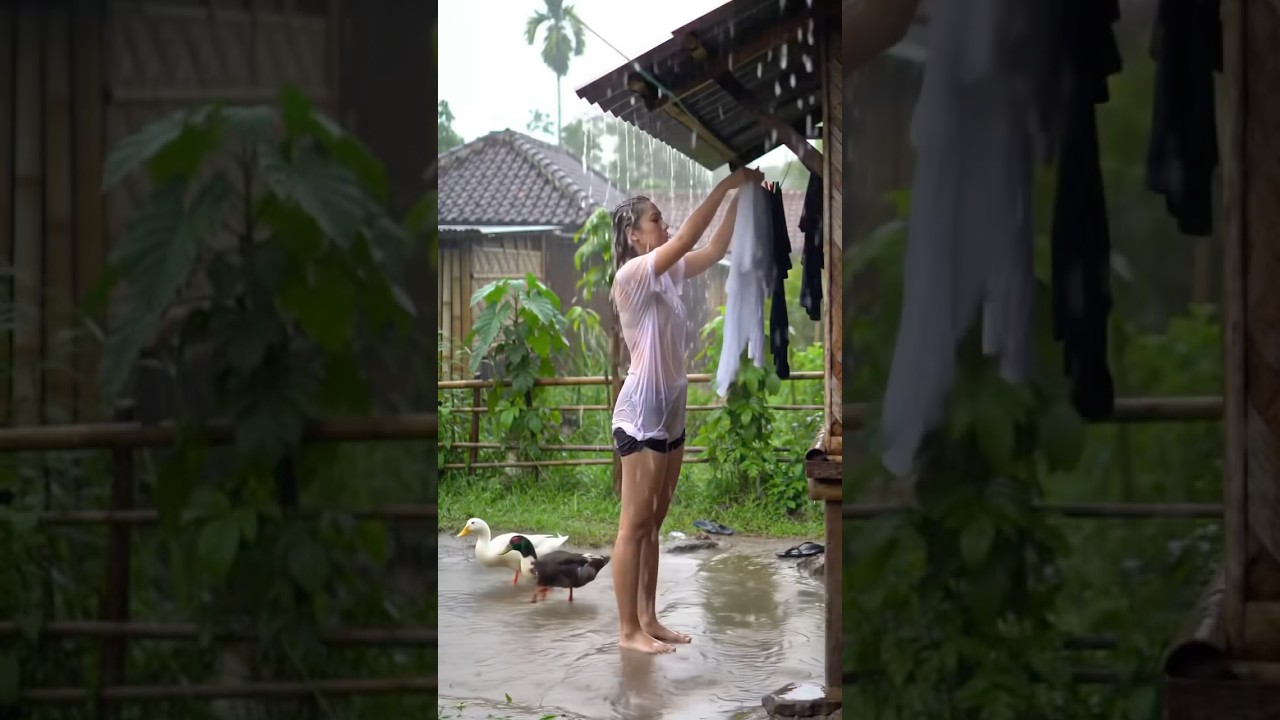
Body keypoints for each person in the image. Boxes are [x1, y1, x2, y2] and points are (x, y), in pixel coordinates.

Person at [608, 165, 765, 654]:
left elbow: (714, 249)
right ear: (635, 236)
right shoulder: (633, 274)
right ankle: (628, 631)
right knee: (633, 525)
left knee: (653, 522)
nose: (667, 226)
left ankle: (649, 618)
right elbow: (693, 234)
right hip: (639, 415)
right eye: (656, 220)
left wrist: (746, 197)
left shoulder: (667, 275)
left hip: (672, 412)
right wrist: (726, 183)